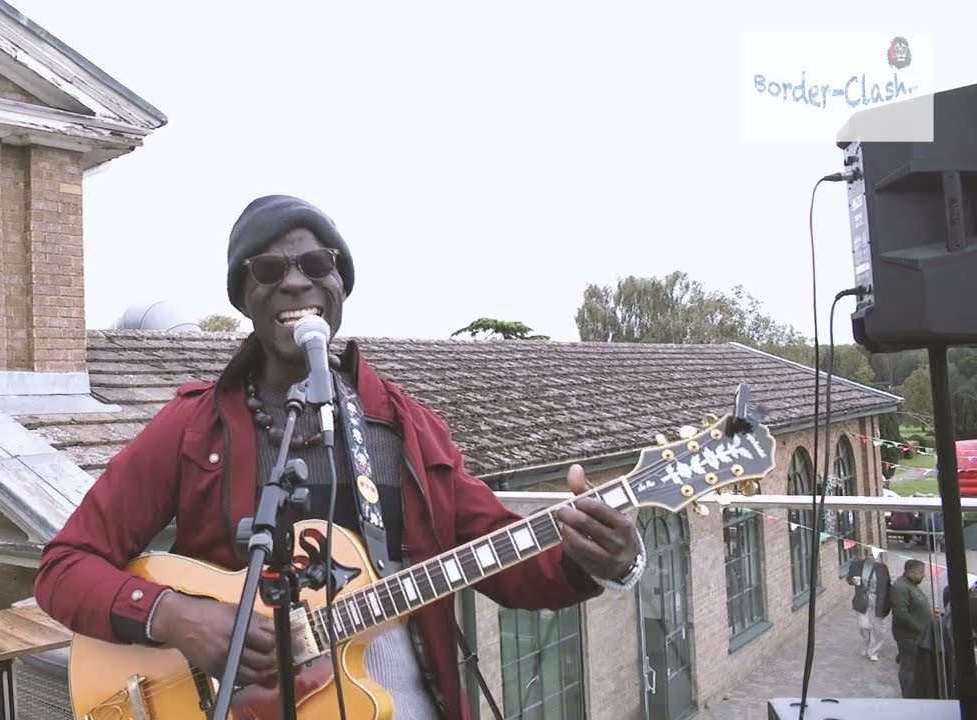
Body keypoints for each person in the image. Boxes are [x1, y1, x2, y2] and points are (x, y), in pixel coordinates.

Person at [34, 195, 645, 720]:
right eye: (268, 268)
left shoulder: (407, 429)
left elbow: (506, 561)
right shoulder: (192, 429)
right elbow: (63, 567)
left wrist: (603, 560)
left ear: (340, 285)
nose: (295, 281)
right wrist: (176, 616)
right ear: (244, 296)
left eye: (317, 263)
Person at [891, 558, 936, 698]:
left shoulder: (912, 585)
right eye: (920, 572)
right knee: (908, 667)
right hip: (909, 636)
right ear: (911, 572)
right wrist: (920, 629)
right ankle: (909, 696)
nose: (923, 575)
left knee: (917, 666)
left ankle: (917, 692)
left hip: (918, 635)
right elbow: (901, 613)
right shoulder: (900, 587)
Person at [845, 546, 891, 661]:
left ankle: (873, 651)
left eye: (874, 555)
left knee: (878, 627)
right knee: (863, 625)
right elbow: (849, 578)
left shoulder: (882, 568)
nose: (872, 557)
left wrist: (888, 602)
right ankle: (867, 641)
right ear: (865, 554)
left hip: (877, 599)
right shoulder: (857, 565)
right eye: (870, 554)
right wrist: (853, 580)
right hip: (863, 598)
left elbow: (887, 585)